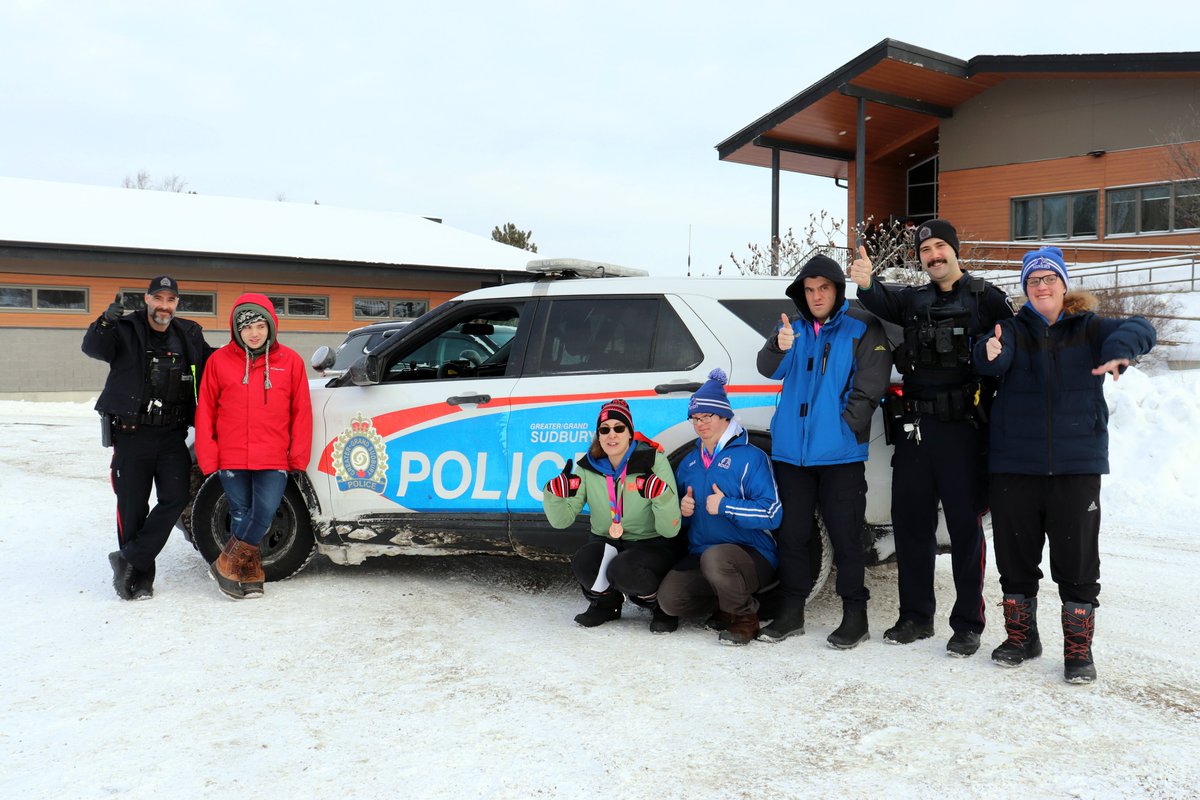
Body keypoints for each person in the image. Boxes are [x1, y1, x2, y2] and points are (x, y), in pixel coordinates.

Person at [974, 246, 1155, 683]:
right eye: (1033, 281)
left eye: (1048, 278)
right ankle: (1021, 638)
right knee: (1015, 558)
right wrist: (991, 351)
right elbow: (986, 357)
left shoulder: (1090, 328)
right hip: (1015, 464)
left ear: (1063, 284)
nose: (1041, 286)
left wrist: (1121, 350)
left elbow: (1140, 326)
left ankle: (1078, 651)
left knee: (1077, 562)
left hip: (1076, 465)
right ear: (1025, 290)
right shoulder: (1013, 330)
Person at [849, 219, 1014, 657]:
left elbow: (1017, 347)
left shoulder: (987, 298)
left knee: (964, 528)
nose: (934, 255)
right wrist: (866, 283)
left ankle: (968, 624)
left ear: (955, 250)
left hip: (963, 430)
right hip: (915, 431)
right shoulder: (913, 299)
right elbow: (881, 298)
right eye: (926, 250)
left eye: (941, 246)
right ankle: (916, 617)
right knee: (911, 526)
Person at [756, 254, 890, 648]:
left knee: (846, 536)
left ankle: (856, 616)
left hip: (840, 456)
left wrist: (844, 427)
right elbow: (768, 368)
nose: (816, 296)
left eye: (823, 288)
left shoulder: (861, 326)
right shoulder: (792, 329)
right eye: (809, 290)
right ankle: (791, 612)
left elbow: (871, 386)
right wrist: (778, 347)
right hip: (791, 455)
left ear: (837, 290)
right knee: (793, 534)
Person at [82, 276, 212, 600]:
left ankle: (128, 558)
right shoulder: (124, 329)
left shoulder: (189, 333)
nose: (164, 307)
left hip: (171, 436)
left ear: (176, 304)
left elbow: (215, 362)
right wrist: (104, 321)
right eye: (158, 299)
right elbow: (93, 347)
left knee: (176, 497)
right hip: (132, 434)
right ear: (147, 299)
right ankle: (140, 579)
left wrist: (248, 350)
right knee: (132, 508)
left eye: (170, 300)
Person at [194, 293, 313, 600]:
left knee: (264, 512)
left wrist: (298, 455)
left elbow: (301, 412)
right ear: (236, 330)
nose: (254, 333)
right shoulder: (218, 361)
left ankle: (226, 563)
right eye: (247, 327)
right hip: (231, 454)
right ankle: (250, 574)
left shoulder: (291, 362)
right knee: (240, 512)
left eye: (260, 325)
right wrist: (209, 456)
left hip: (273, 455)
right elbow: (205, 411)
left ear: (271, 325)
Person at [657, 369, 782, 645]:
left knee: (716, 559)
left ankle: (745, 619)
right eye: (695, 418)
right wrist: (683, 512)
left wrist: (726, 505)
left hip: (751, 555)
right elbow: (679, 522)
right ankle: (725, 605)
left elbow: (772, 514)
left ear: (724, 416)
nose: (701, 424)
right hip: (703, 555)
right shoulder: (689, 463)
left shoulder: (751, 457)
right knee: (670, 600)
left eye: (707, 416)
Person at [542, 399, 682, 631]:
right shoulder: (588, 466)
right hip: (607, 540)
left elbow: (670, 529)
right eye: (604, 430)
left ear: (630, 433)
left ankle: (659, 606)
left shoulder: (653, 461)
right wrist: (554, 494)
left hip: (651, 544)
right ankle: (607, 605)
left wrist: (661, 497)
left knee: (624, 569)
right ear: (598, 435)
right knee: (583, 562)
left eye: (619, 428)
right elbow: (561, 521)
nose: (612, 435)